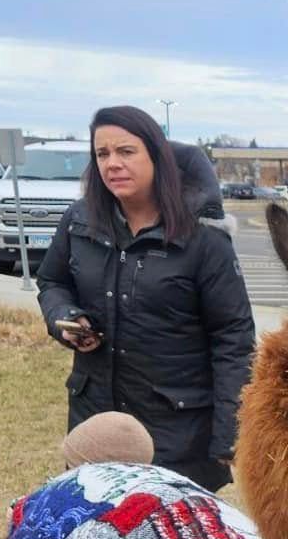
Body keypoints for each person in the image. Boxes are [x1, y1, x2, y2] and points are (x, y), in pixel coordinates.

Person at [37, 106, 255, 491]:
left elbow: (233, 337)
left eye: (126, 151)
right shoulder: (78, 221)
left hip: (177, 430)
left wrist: (229, 432)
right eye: (102, 154)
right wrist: (63, 316)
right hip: (97, 418)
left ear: (156, 156)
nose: (113, 164)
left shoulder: (203, 238)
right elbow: (51, 281)